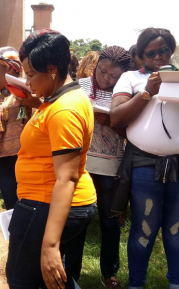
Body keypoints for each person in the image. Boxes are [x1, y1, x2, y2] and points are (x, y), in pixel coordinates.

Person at [5, 29, 97, 289]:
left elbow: (66, 177)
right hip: (47, 202)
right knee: (50, 280)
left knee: (23, 280)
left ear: (52, 69)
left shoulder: (64, 110)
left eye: (31, 75)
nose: (28, 82)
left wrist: (50, 245)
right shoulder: (63, 99)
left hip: (44, 203)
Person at [110, 28, 179, 289]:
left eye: (164, 50)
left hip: (178, 166)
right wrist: (147, 92)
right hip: (144, 164)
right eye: (151, 53)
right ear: (141, 55)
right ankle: (136, 284)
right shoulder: (131, 78)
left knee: (175, 230)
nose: (159, 57)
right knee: (144, 229)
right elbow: (116, 117)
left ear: (172, 50)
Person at [67, 46, 131, 289]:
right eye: (102, 72)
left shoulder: (126, 91)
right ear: (95, 68)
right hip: (80, 163)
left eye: (114, 76)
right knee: (77, 218)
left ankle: (109, 273)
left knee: (109, 220)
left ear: (123, 75)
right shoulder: (79, 86)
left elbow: (130, 130)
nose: (106, 78)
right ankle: (71, 272)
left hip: (111, 165)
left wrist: (112, 122)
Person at [0, 46, 41, 210]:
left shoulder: (31, 91)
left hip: (25, 161)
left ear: (9, 67)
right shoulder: (1, 96)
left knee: (28, 210)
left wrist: (34, 103)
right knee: (12, 209)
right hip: (4, 163)